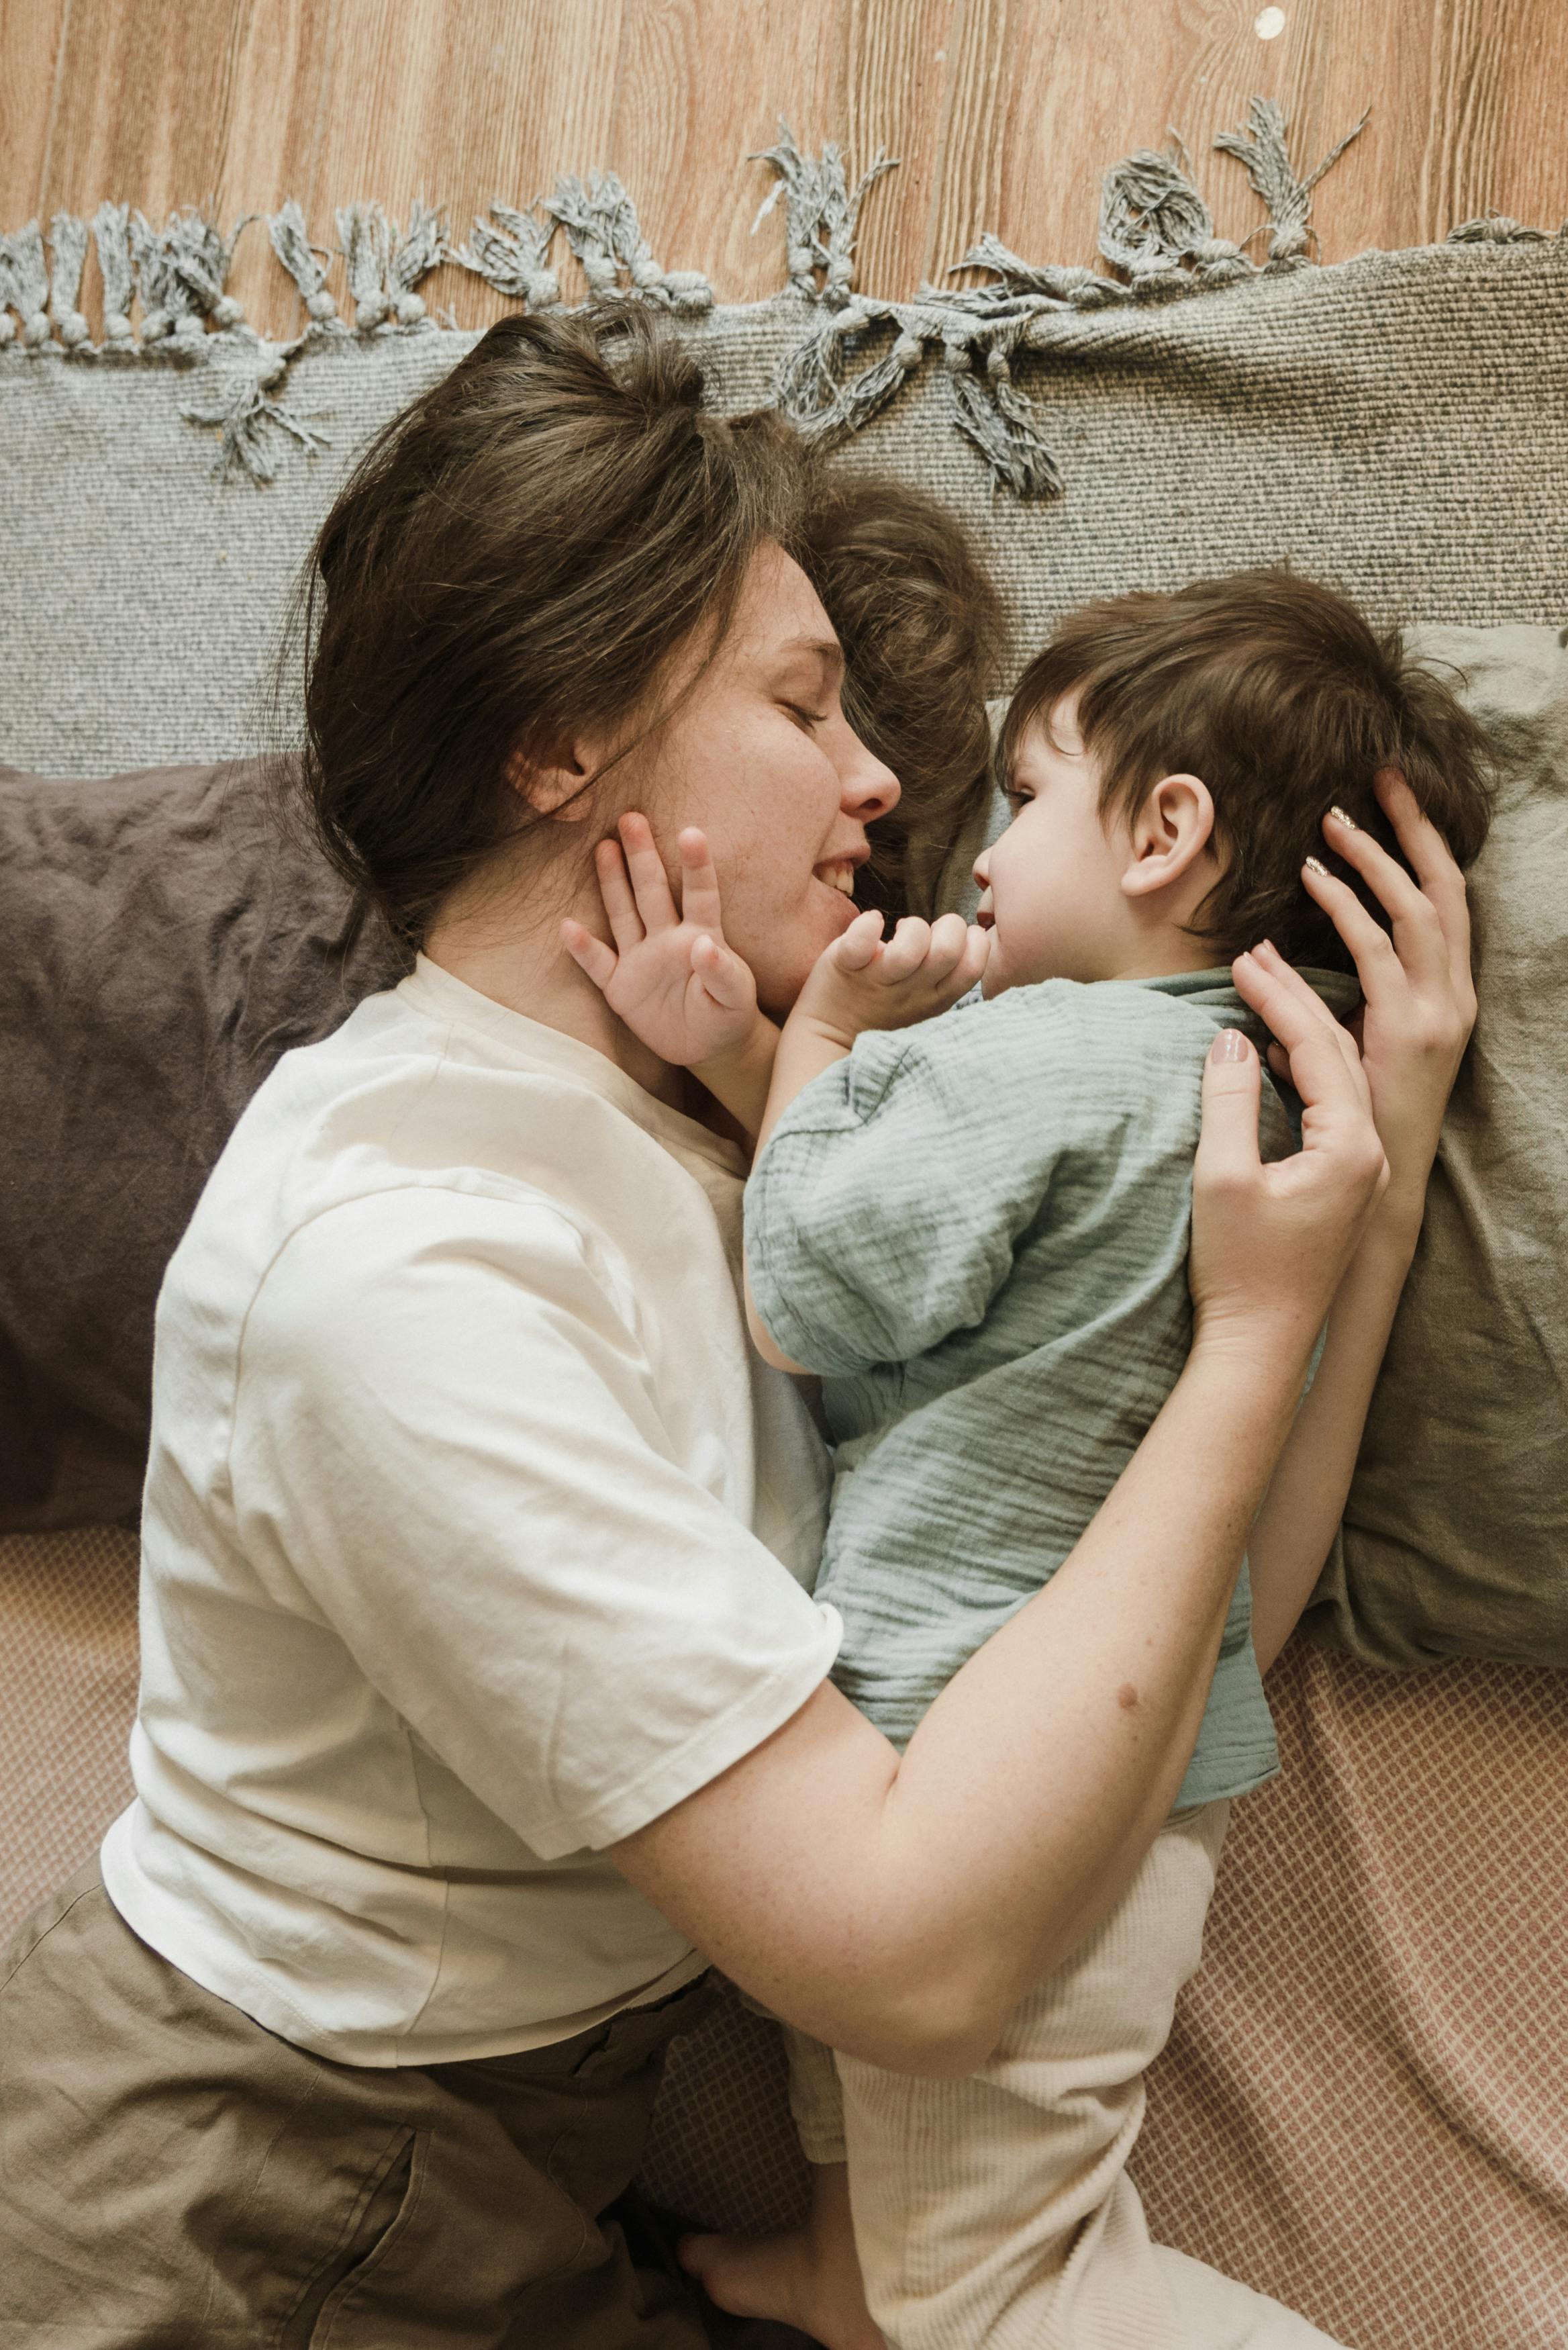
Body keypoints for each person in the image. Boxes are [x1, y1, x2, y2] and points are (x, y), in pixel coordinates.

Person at [0, 312, 1460, 2349]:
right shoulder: (399, 1266)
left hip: (513, 2172)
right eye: (803, 702)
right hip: (235, 2199)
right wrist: (1237, 1350)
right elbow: (914, 1956)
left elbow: (1177, 1631)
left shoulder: (738, 1148)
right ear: (561, 741)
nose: (882, 779)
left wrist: (1359, 1189)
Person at [562, 570, 1489, 2347]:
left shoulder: (1030, 1058)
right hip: (1126, 1763)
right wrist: (749, 1050)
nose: (971, 848)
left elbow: (821, 1292)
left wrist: (820, 1039)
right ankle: (844, 2276)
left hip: (972, 1750)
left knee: (996, 2291)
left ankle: (891, 2285)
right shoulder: (1265, 1092)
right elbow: (981, 1289)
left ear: (1166, 830)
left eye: (1028, 793)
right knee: (886, 2172)